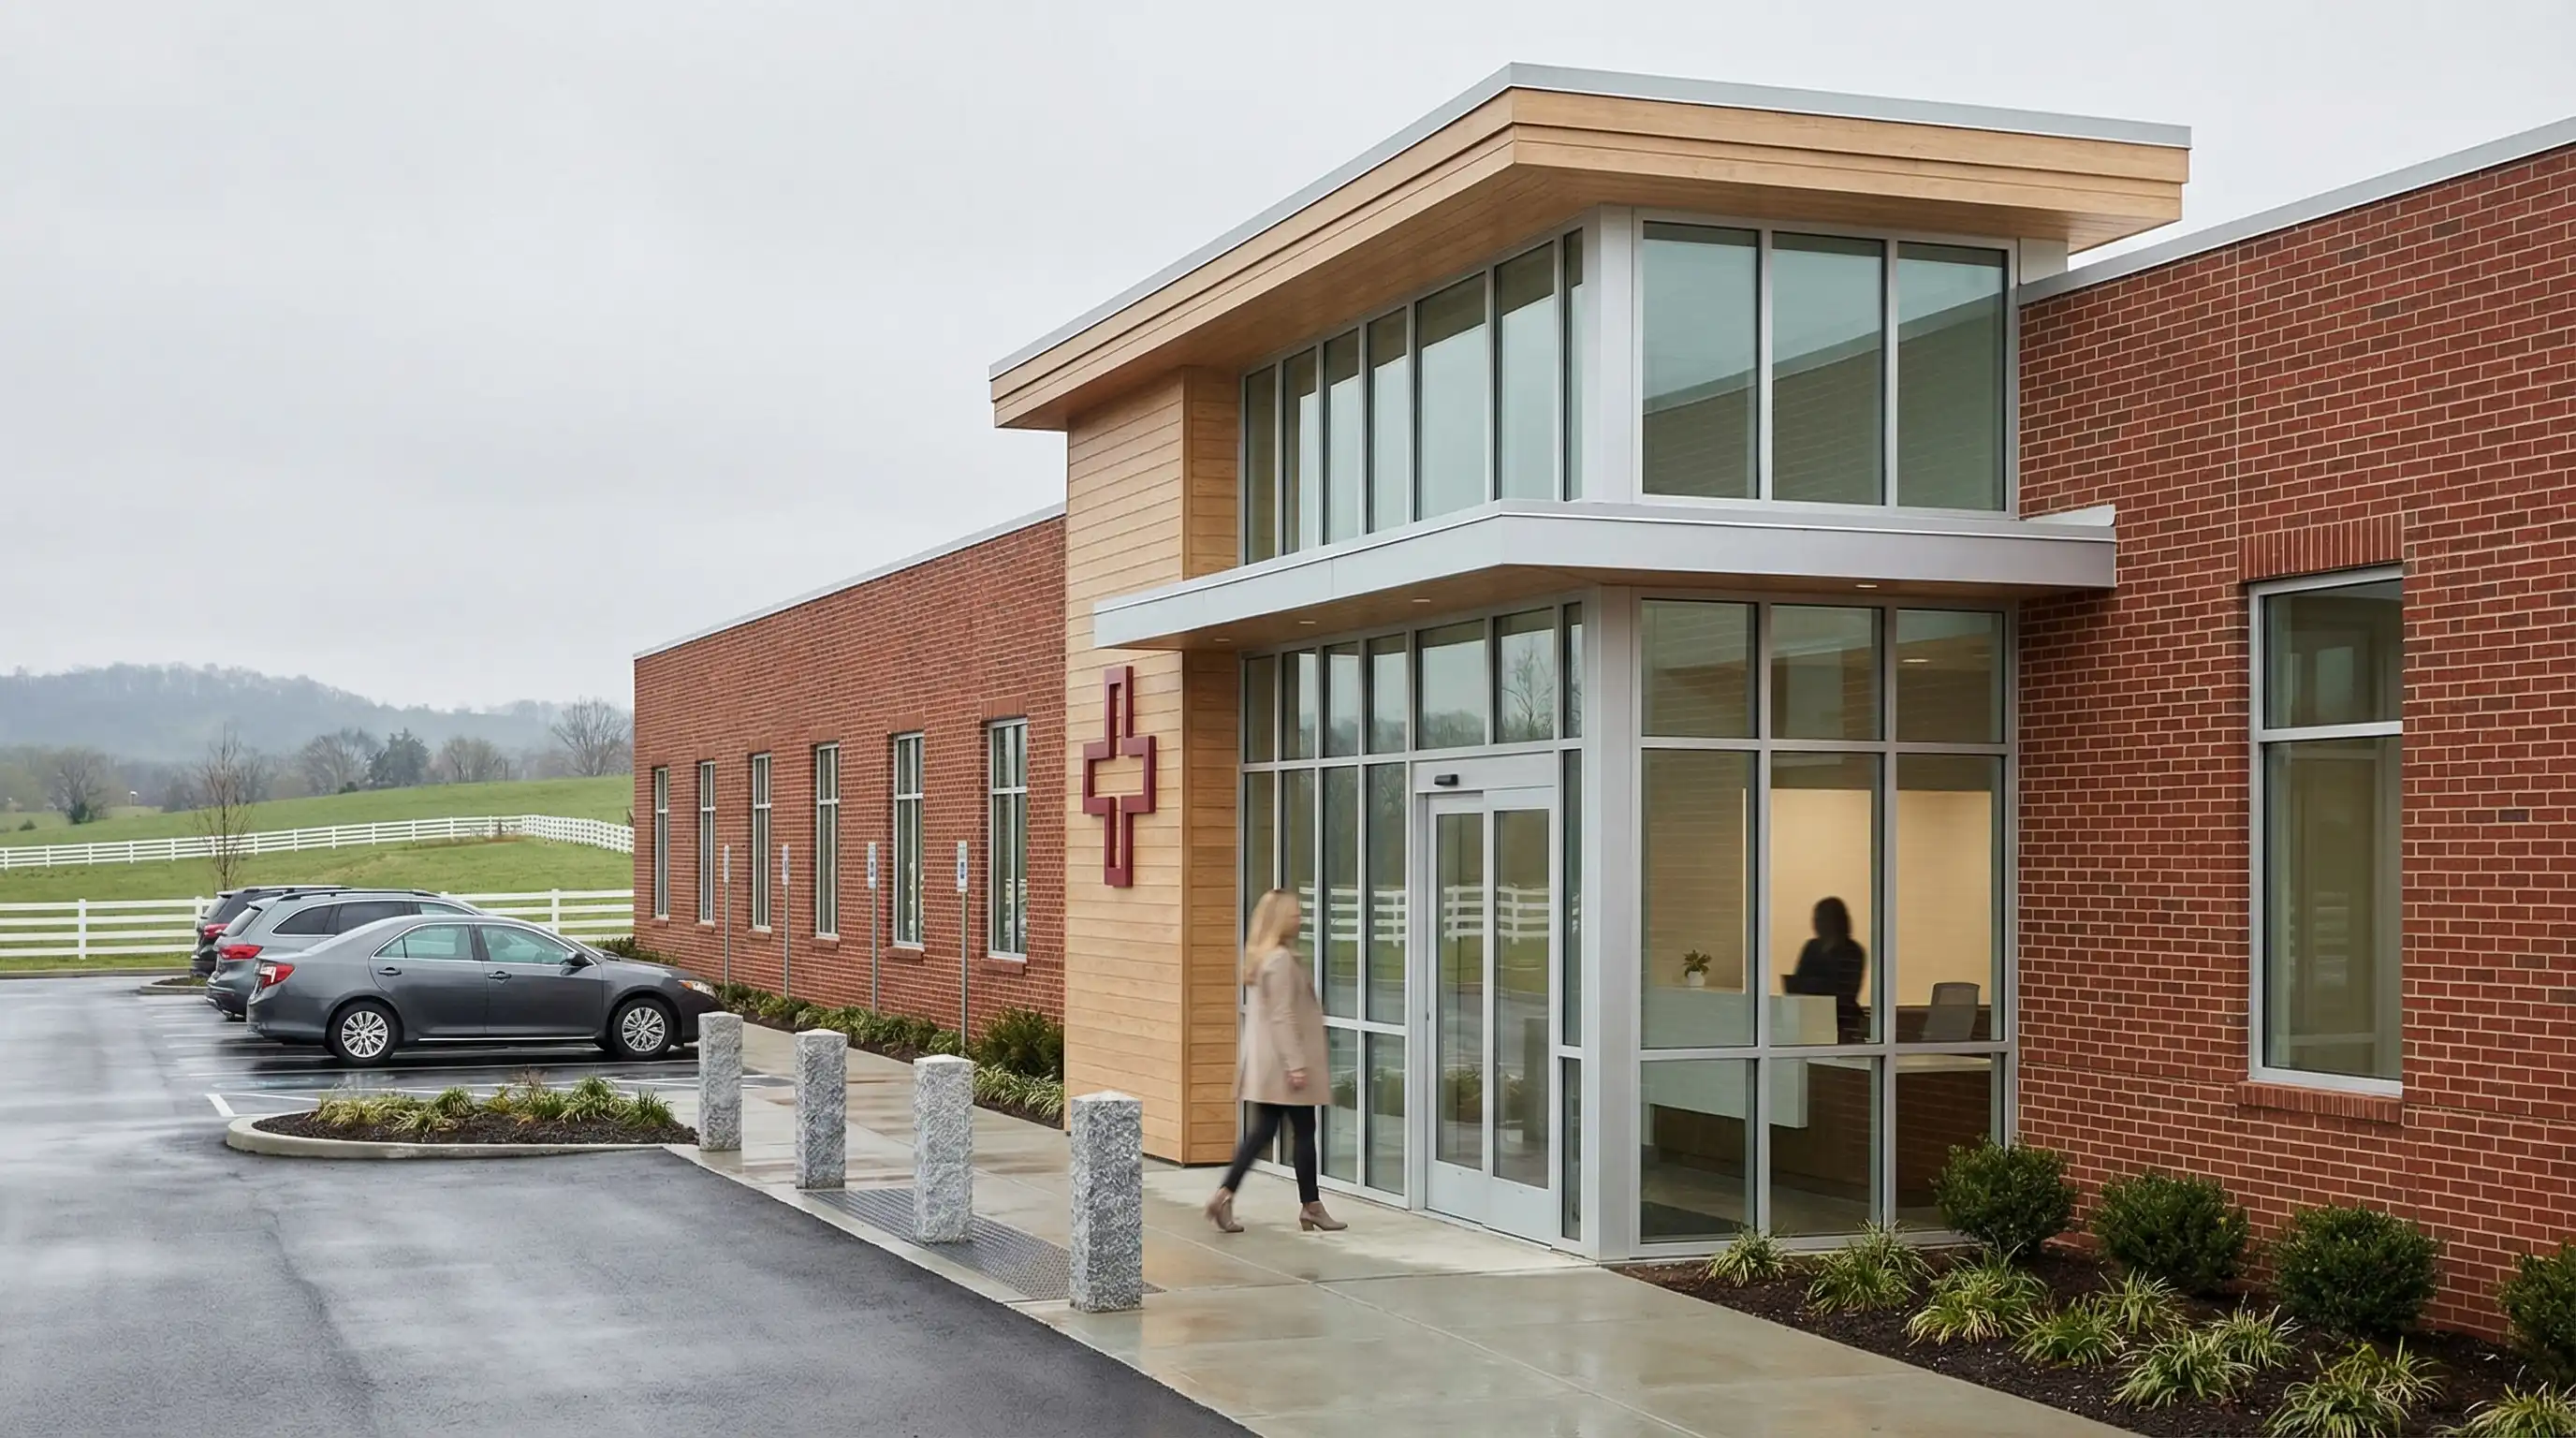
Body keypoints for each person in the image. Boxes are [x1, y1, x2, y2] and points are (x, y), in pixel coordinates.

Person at [1207, 888, 1344, 1235]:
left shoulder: (1265, 957)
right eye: (1294, 913)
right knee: (1302, 1131)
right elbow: (1282, 1016)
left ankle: (1226, 1195)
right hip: (1284, 1066)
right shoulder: (1280, 960)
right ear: (1280, 919)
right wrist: (1296, 1064)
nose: (1300, 918)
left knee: (1265, 1131)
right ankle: (1310, 1207)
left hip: (1270, 1065)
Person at [1784, 896, 1868, 1042]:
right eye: (1815, 919)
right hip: (1809, 1021)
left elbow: (1846, 991)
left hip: (1842, 1023)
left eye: (1820, 919)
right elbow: (1799, 980)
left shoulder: (1852, 951)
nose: (1815, 923)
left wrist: (1813, 986)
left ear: (1835, 921)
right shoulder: (1811, 947)